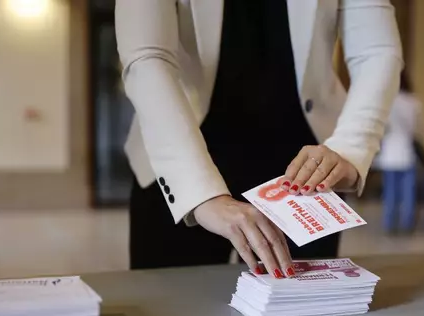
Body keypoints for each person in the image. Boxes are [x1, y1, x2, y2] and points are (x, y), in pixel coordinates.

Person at [116, 1, 402, 277]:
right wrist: (200, 194)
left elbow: (377, 53)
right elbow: (147, 57)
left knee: (299, 315)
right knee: (176, 308)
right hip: (178, 154)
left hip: (301, 170)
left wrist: (349, 148)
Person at [376, 71, 423, 232]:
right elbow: (418, 131)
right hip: (407, 153)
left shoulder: (387, 102)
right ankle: (407, 225)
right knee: (408, 194)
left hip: (390, 154)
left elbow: (381, 129)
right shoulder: (414, 102)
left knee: (390, 193)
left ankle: (389, 224)